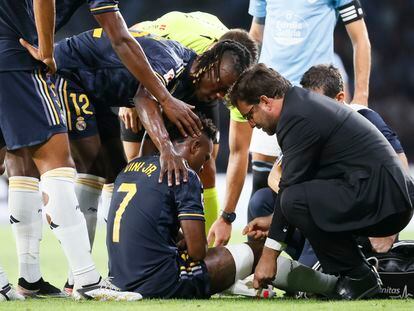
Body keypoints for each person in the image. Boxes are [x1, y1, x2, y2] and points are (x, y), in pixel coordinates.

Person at [0, 0, 154, 300]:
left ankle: (14, 284)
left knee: (18, 163)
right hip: (15, 57)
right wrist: (46, 50)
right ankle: (87, 281)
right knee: (56, 163)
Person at [229, 63, 414, 300]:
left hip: (383, 201)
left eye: (249, 115)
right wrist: (275, 220)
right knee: (290, 200)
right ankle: (356, 276)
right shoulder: (301, 106)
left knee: (293, 199)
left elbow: (291, 190)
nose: (252, 124)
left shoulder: (297, 117)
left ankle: (357, 275)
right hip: (380, 197)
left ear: (265, 101)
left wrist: (269, 256)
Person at [106, 115, 339, 299]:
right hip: (159, 282)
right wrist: (190, 241)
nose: (205, 165)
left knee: (218, 260)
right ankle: (333, 286)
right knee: (259, 250)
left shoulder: (133, 167)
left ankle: (239, 283)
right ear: (194, 145)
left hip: (120, 278)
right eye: (207, 157)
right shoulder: (183, 173)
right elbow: (198, 252)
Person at [209, 0, 372, 247]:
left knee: (315, 187)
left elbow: (360, 38)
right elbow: (255, 36)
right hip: (268, 99)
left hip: (312, 100)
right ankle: (258, 269)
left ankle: (319, 262)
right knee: (262, 193)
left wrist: (361, 98)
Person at [119, 11, 258, 233]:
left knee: (206, 163)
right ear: (213, 57)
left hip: (199, 85)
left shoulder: (237, 81)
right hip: (158, 76)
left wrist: (227, 217)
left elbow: (239, 151)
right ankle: (141, 240)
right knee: (138, 165)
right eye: (224, 86)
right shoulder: (180, 37)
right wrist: (127, 96)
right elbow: (131, 35)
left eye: (229, 89)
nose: (224, 95)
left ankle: (205, 248)